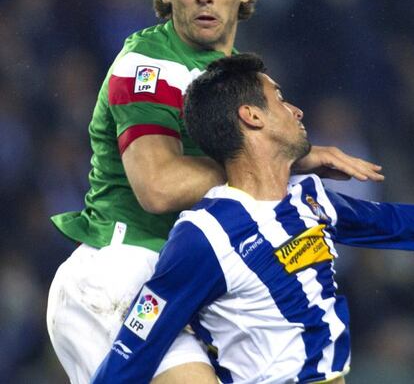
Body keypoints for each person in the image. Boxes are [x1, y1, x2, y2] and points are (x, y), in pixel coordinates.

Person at [46, 0, 384, 384]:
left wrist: (289, 164)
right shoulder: (149, 65)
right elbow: (158, 186)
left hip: (192, 286)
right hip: (121, 275)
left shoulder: (238, 76)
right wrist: (284, 161)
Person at [92, 53, 414, 384]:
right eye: (280, 100)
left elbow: (396, 224)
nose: (296, 111)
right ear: (252, 115)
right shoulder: (204, 235)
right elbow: (134, 347)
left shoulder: (309, 197)